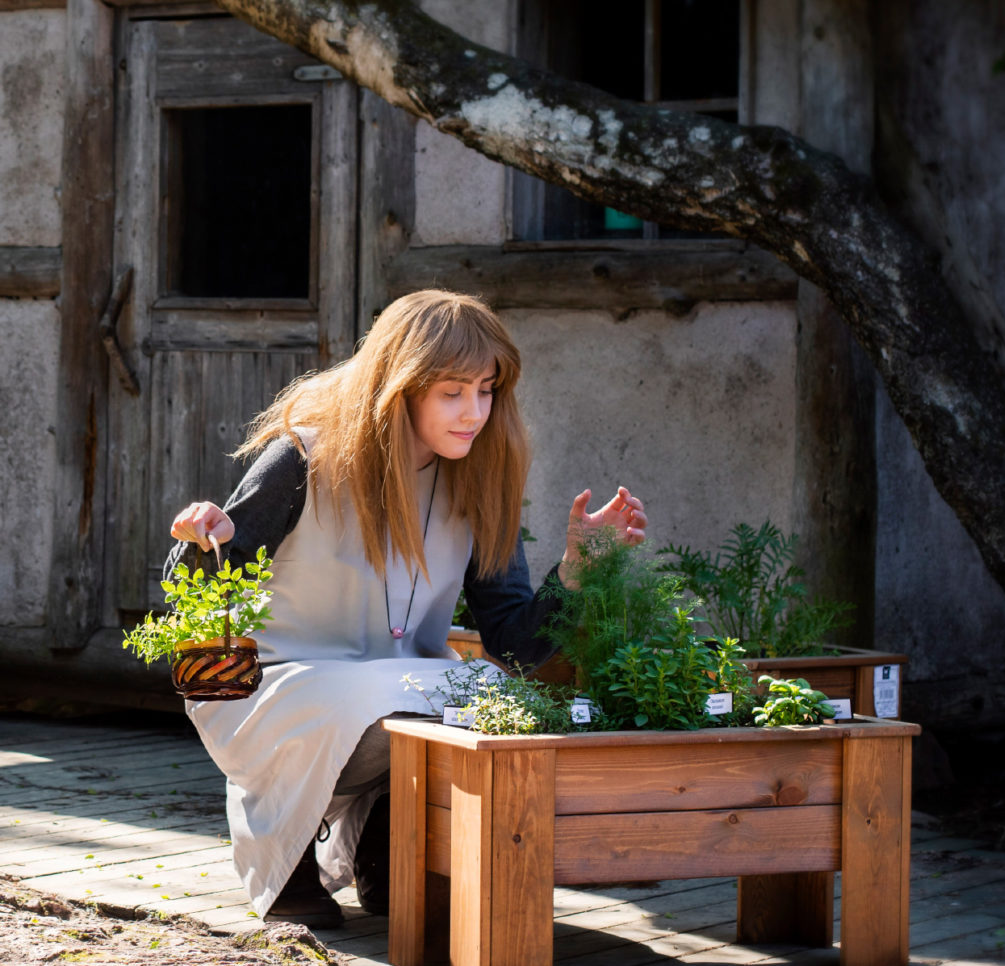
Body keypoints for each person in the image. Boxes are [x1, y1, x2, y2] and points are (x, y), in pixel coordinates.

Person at [166, 290, 646, 929]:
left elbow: (514, 644)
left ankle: (393, 847)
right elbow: (193, 594)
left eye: (486, 389)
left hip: (404, 691)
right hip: (278, 689)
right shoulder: (303, 458)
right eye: (452, 392)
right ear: (400, 387)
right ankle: (293, 868)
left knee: (503, 696)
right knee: (396, 694)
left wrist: (575, 574)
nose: (474, 412)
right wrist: (203, 535)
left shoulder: (480, 480)